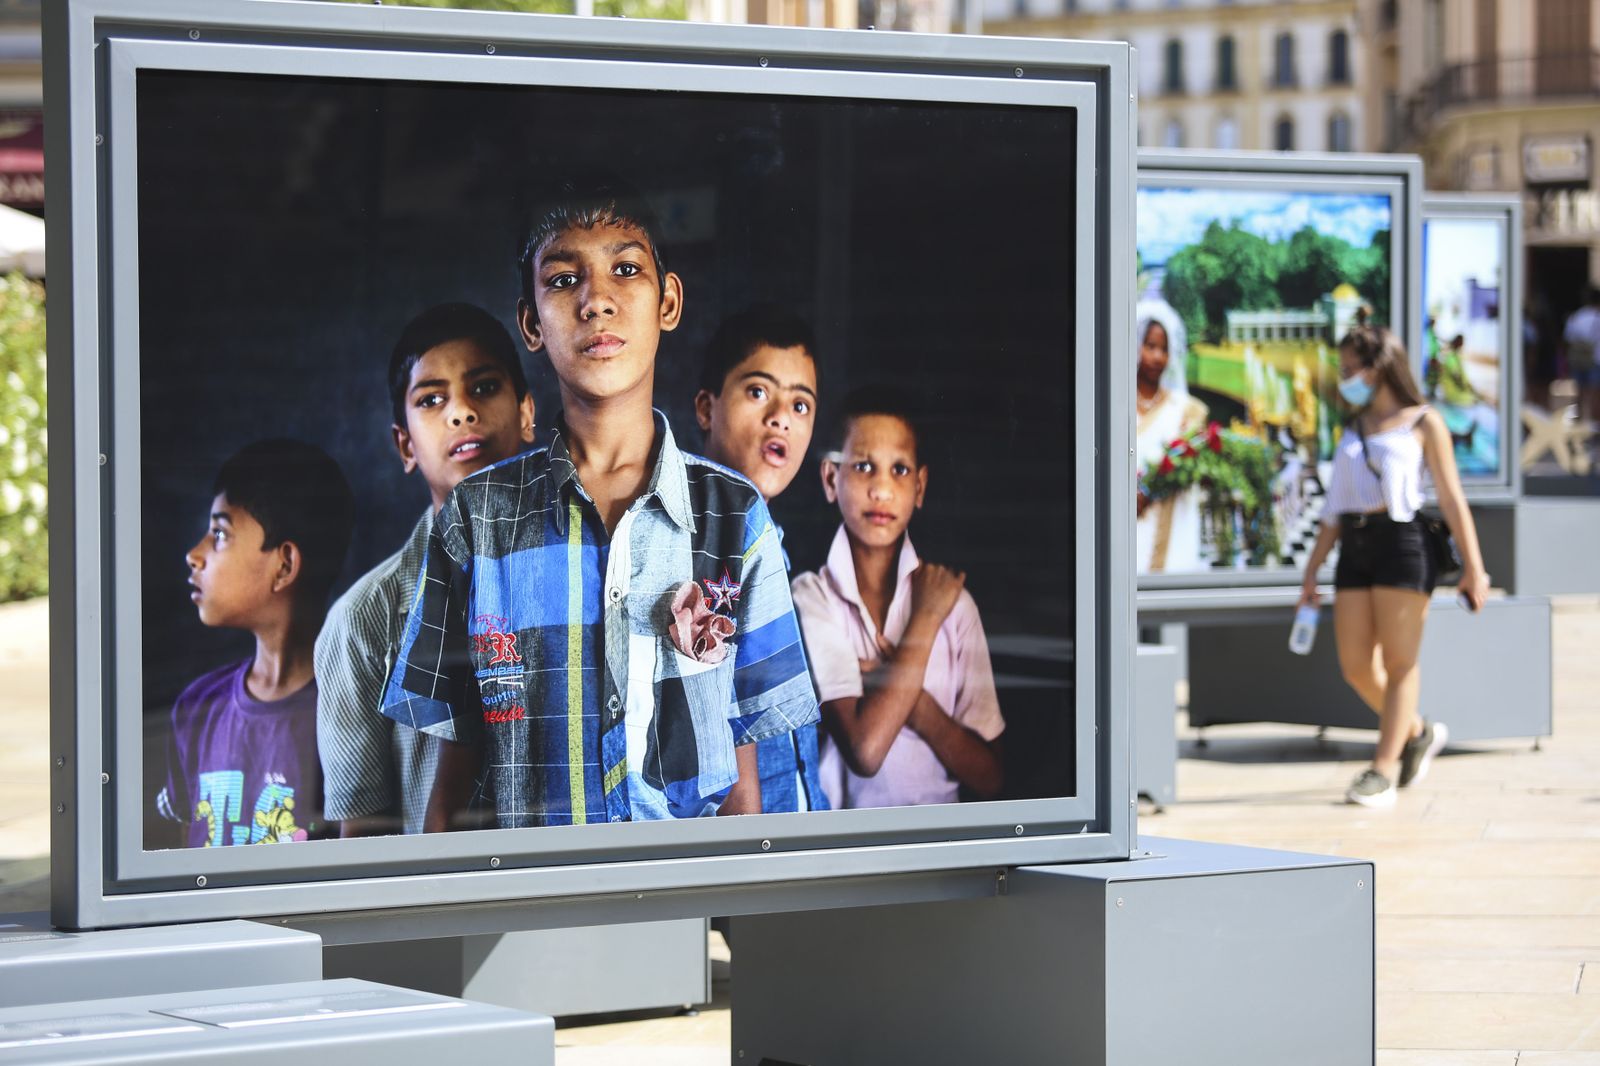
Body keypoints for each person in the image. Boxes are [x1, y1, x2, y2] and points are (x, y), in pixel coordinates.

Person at [380, 177, 819, 829]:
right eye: (564, 280)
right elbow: (450, 782)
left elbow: (741, 782)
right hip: (528, 884)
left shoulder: (734, 516)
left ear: (668, 301)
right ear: (531, 322)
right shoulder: (478, 518)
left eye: (626, 269)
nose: (597, 301)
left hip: (687, 883)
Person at [315, 303, 536, 837]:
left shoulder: (591, 569)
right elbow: (364, 839)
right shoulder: (361, 622)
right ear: (405, 444)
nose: (461, 411)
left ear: (527, 413)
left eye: (484, 387)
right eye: (432, 399)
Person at [1297, 326, 1489, 809]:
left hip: (1403, 543)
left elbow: (1451, 497)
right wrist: (1312, 569)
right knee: (1356, 666)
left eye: (1350, 368)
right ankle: (1417, 731)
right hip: (1355, 543)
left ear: (1378, 367)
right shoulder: (1354, 427)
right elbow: (1333, 509)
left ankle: (1383, 768)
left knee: (1400, 663)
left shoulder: (1424, 421)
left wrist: (1475, 568)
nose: (1344, 377)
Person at [789, 386, 1004, 809]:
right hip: (842, 838)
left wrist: (917, 706)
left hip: (941, 838)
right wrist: (923, 621)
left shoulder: (955, 605)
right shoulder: (812, 597)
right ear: (831, 479)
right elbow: (864, 752)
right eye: (864, 466)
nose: (882, 490)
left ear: (920, 487)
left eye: (900, 470)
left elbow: (991, 778)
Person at [158, 439, 354, 847]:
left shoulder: (351, 713)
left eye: (219, 534)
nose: (194, 555)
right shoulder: (196, 708)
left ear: (284, 565)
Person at [692, 305, 829, 814]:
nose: (781, 417)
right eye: (757, 392)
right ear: (706, 409)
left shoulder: (772, 546)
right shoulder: (700, 551)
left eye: (801, 405)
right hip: (755, 845)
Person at [1134, 301, 1208, 573]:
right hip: (1124, 520)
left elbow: (1192, 469)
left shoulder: (1185, 410)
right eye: (1150, 346)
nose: (1157, 357)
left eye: (1164, 349)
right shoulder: (1114, 406)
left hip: (1172, 525)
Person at [1562, 285, 1600, 422]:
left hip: (1579, 359)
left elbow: (1568, 338)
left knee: (1579, 393)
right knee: (1595, 394)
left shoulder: (1576, 316)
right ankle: (1594, 426)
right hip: (1596, 359)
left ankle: (1579, 422)